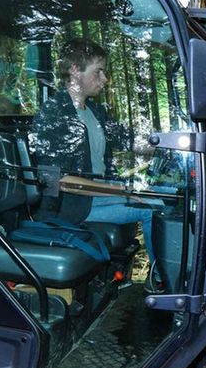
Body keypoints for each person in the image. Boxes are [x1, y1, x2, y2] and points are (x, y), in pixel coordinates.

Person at [28, 38, 158, 264]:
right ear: (75, 71)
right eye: (98, 72)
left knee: (164, 196)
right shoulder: (54, 115)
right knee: (154, 209)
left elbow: (128, 138)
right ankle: (162, 281)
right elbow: (61, 182)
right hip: (72, 206)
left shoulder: (95, 112)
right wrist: (122, 191)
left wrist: (162, 143)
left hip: (98, 194)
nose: (105, 79)